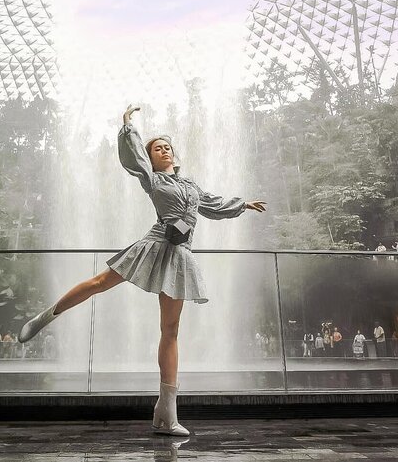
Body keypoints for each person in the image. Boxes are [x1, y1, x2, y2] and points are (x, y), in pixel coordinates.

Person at [17, 105, 266, 436]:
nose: (162, 150)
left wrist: (242, 204)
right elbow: (133, 159)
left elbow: (212, 204)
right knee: (99, 282)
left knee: (171, 330)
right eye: (156, 148)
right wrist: (127, 127)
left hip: (180, 254)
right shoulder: (152, 178)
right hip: (154, 243)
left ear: (174, 153)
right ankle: (45, 317)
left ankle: (166, 412)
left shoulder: (191, 185)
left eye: (166, 146)